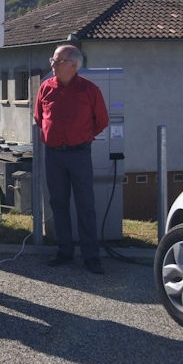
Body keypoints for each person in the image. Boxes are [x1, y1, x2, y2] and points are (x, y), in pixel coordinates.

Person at [34, 44, 109, 274]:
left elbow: (101, 120)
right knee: (58, 203)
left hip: (79, 153)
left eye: (57, 61)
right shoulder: (46, 88)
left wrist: (83, 136)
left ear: (73, 65)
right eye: (53, 60)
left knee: (85, 204)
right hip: (54, 154)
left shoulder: (89, 90)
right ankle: (64, 250)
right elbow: (39, 117)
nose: (53, 65)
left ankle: (91, 255)